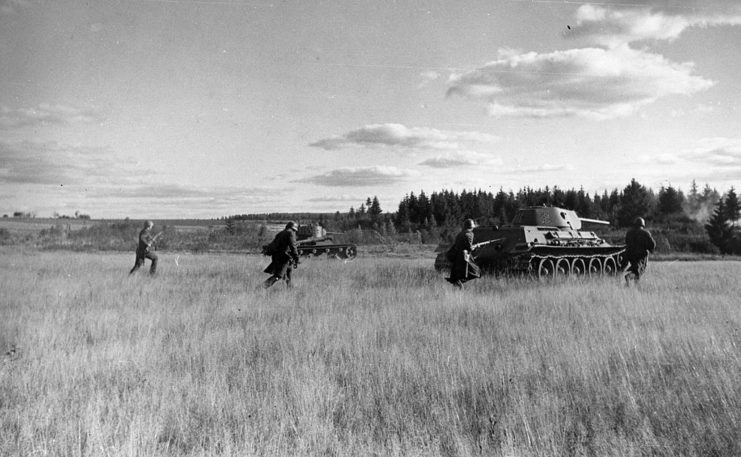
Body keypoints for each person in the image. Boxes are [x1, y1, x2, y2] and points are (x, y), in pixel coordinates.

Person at [262, 221, 300, 288]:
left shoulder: (280, 233)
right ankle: (262, 287)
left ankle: (289, 288)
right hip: (283, 257)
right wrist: (296, 257)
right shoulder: (291, 233)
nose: (295, 232)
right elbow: (293, 246)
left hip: (277, 256)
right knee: (278, 275)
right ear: (293, 228)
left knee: (289, 270)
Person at [445, 218, 480, 289]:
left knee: (460, 274)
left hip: (457, 256)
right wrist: (476, 246)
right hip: (464, 257)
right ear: (471, 227)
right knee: (476, 272)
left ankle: (458, 284)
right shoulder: (470, 234)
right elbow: (469, 248)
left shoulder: (460, 233)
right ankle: (458, 283)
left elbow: (461, 245)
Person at [623, 216, 656, 285]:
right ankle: (629, 277)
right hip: (641, 255)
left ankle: (636, 286)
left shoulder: (629, 232)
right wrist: (650, 250)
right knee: (640, 270)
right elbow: (652, 244)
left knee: (636, 269)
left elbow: (626, 242)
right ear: (642, 224)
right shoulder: (645, 233)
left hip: (630, 255)